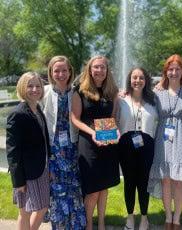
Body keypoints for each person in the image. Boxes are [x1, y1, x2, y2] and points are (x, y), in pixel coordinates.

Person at [147, 54, 182, 230]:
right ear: (166, 71)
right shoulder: (157, 92)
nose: (174, 72)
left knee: (180, 181)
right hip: (163, 139)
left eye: (177, 69)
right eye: (170, 69)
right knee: (165, 179)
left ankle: (177, 219)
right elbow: (140, 102)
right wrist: (124, 93)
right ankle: (168, 217)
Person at [71, 55, 120, 230]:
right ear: (90, 70)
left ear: (107, 71)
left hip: (107, 144)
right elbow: (75, 119)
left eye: (103, 67)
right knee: (93, 190)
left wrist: (115, 130)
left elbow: (112, 117)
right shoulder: (80, 91)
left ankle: (101, 223)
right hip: (89, 144)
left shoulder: (112, 92)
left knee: (104, 187)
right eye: (96, 67)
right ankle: (89, 225)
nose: (99, 70)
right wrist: (93, 133)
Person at [42, 55, 86, 229]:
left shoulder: (77, 92)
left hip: (72, 146)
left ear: (70, 71)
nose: (61, 74)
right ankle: (60, 225)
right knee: (57, 187)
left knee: (74, 186)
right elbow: (26, 101)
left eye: (64, 70)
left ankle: (75, 224)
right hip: (53, 148)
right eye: (56, 70)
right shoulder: (44, 92)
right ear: (51, 73)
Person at [115, 67, 158, 230]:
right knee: (129, 183)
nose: (137, 81)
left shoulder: (154, 100)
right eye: (134, 77)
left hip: (147, 147)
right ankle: (130, 217)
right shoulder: (120, 100)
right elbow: (113, 119)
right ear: (129, 79)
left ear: (146, 80)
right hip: (125, 147)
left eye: (141, 78)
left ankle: (145, 218)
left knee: (144, 183)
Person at [6, 72, 50, 230]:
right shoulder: (17, 114)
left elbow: (45, 140)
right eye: (30, 86)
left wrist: (49, 164)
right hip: (26, 173)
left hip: (41, 169)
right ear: (22, 88)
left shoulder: (37, 110)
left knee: (42, 207)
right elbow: (12, 151)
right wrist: (18, 181)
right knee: (25, 212)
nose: (34, 89)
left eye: (38, 86)